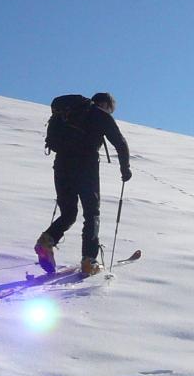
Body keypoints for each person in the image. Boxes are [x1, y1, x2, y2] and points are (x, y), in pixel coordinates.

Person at [35, 92, 131, 276]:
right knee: (92, 213)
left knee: (69, 212)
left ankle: (47, 241)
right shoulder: (100, 116)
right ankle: (89, 260)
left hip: (61, 165)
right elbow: (120, 143)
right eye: (111, 109)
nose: (111, 112)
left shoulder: (69, 114)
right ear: (106, 104)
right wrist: (125, 169)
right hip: (86, 167)